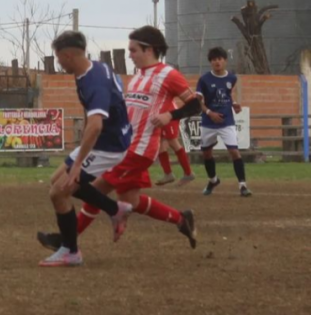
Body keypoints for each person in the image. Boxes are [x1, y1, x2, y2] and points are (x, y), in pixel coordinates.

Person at [38, 26, 199, 252]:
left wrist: (171, 115)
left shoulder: (168, 74)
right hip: (126, 143)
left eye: (133, 50)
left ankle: (66, 241)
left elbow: (195, 104)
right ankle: (181, 219)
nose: (130, 54)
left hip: (139, 149)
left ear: (149, 49)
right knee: (131, 200)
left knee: (94, 189)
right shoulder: (138, 76)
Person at [38, 31, 133, 267]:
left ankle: (71, 251)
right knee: (57, 180)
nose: (58, 62)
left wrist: (78, 163)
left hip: (107, 145)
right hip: (108, 139)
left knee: (59, 193)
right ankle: (115, 208)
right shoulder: (95, 68)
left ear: (68, 55)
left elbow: (96, 125)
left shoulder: (93, 82)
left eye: (58, 57)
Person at [197, 47, 251, 197]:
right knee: (206, 153)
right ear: (211, 62)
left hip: (227, 121)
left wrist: (234, 104)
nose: (217, 62)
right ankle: (213, 180)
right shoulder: (204, 79)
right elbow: (198, 102)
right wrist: (209, 112)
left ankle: (242, 185)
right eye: (214, 59)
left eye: (220, 59)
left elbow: (228, 95)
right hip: (209, 121)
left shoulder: (232, 78)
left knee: (234, 151)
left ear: (225, 61)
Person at [154, 98, 195, 186]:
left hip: (169, 114)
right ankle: (168, 173)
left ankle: (188, 173)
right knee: (160, 143)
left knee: (172, 141)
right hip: (159, 114)